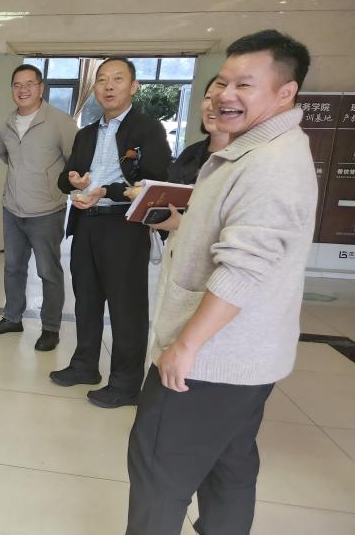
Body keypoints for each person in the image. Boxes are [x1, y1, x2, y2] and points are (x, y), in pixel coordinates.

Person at [126, 30, 317, 535]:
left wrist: (187, 345)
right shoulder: (256, 150)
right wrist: (184, 225)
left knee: (158, 469)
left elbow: (243, 268)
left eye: (244, 85)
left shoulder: (272, 164)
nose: (224, 94)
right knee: (229, 463)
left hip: (210, 359)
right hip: (244, 357)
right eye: (221, 82)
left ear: (285, 92)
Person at [50, 57, 171, 409]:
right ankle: (84, 365)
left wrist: (109, 190)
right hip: (86, 223)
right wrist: (74, 181)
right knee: (86, 300)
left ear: (133, 86)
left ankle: (126, 383)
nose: (108, 86)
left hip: (124, 226)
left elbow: (155, 179)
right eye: (102, 79)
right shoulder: (87, 133)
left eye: (117, 79)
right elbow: (65, 178)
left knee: (126, 306)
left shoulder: (147, 129)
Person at [0, 64, 77, 351]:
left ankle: (50, 327)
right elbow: (4, 155)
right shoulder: (6, 124)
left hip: (47, 210)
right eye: (17, 85)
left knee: (48, 271)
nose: (22, 90)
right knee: (13, 267)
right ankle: (12, 317)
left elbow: (74, 160)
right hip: (12, 209)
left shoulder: (59, 121)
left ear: (41, 87)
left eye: (29, 84)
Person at [168, 77, 232, 185]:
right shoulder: (190, 153)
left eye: (221, 100)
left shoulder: (246, 158)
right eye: (208, 97)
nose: (211, 107)